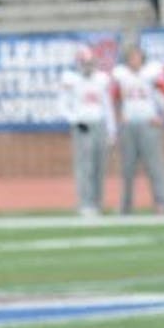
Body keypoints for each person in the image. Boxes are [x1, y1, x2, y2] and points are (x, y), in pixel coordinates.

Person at [112, 45, 164, 215]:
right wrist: (119, 119)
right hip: (129, 125)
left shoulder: (151, 75)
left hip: (148, 124)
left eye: (137, 57)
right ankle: (126, 206)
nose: (134, 60)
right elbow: (114, 99)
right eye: (131, 57)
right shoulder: (122, 76)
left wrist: (162, 118)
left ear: (142, 59)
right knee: (127, 168)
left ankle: (161, 203)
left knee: (155, 167)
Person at [58, 46, 116, 217]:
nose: (88, 65)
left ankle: (97, 203)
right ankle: (85, 204)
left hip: (99, 124)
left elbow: (107, 106)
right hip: (83, 125)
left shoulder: (102, 79)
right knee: (85, 167)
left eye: (91, 62)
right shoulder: (71, 79)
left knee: (100, 166)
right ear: (79, 63)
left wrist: (111, 130)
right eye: (85, 62)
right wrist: (75, 120)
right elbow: (62, 105)